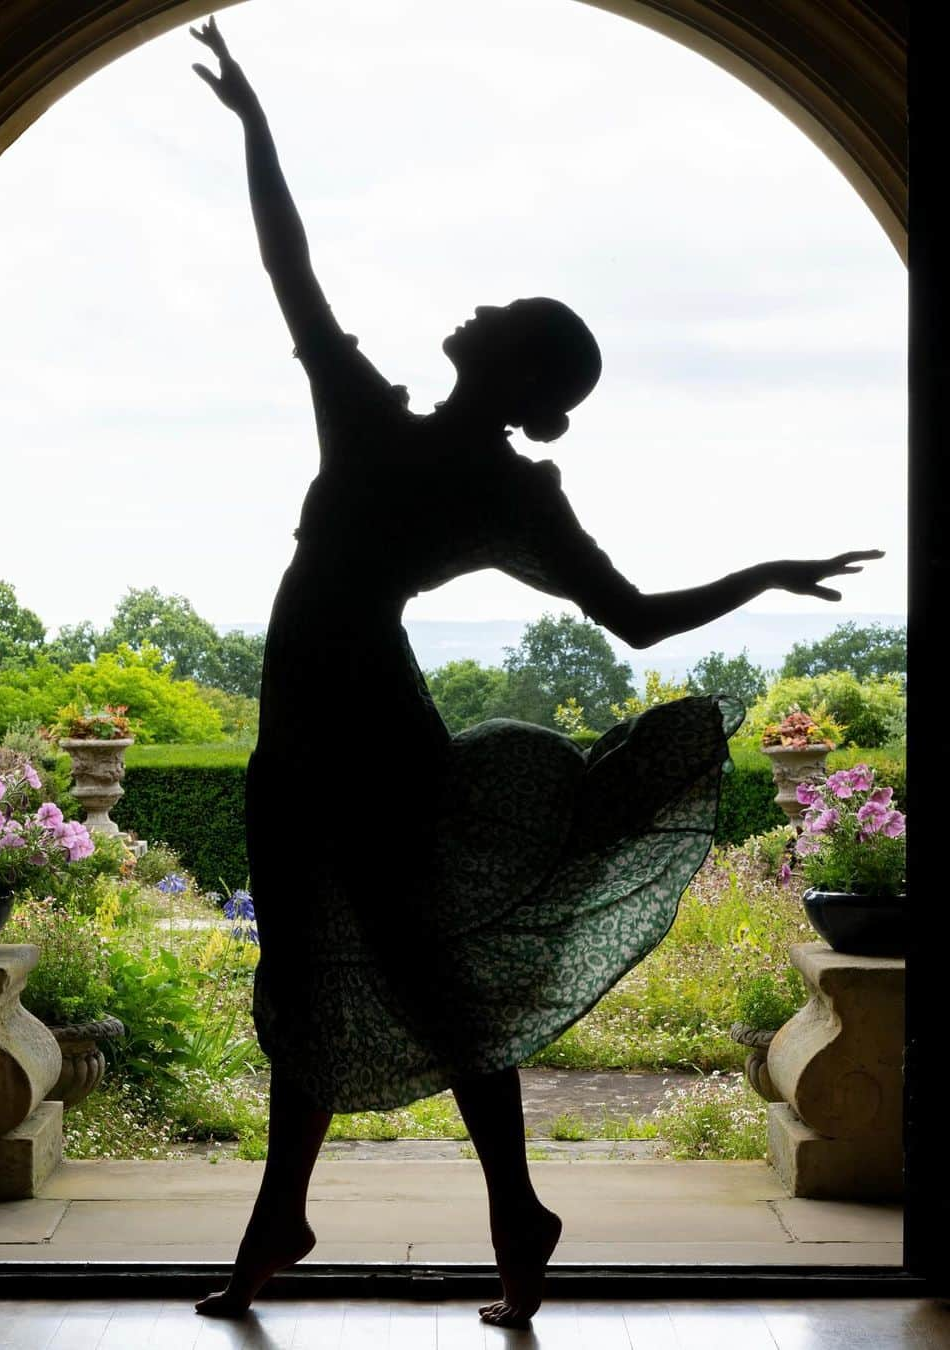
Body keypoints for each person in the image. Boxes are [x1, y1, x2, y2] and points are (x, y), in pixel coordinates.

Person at [189, 15, 882, 1328]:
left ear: (512, 364)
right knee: (323, 970)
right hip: (331, 723)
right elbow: (633, 614)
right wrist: (258, 125)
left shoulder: (397, 433)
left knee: (387, 970)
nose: (482, 303)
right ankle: (358, 1212)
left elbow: (293, 267)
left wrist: (764, 577)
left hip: (344, 727)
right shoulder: (486, 479)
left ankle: (476, 1211)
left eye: (504, 312)